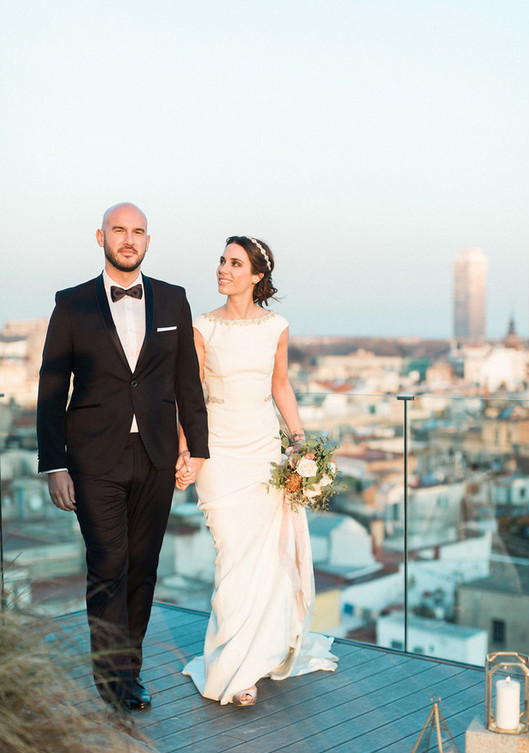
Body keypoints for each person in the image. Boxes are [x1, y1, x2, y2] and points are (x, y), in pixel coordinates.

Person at [37, 203, 209, 711]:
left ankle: (128, 668)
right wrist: (55, 463)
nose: (128, 239)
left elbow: (187, 380)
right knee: (108, 564)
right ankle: (112, 678)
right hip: (93, 458)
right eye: (119, 231)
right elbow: (51, 388)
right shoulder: (71, 304)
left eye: (137, 232)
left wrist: (197, 449)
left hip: (155, 454)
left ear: (148, 241)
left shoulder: (174, 299)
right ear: (101, 237)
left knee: (143, 565)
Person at [178, 235, 337, 706]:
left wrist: (301, 442)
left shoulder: (277, 326)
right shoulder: (202, 327)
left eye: (234, 263)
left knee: (266, 561)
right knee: (232, 555)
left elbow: (281, 385)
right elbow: (191, 397)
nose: (223, 269)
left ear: (256, 276)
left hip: (265, 450)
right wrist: (186, 453)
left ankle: (254, 662)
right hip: (219, 452)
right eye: (222, 261)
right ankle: (230, 661)